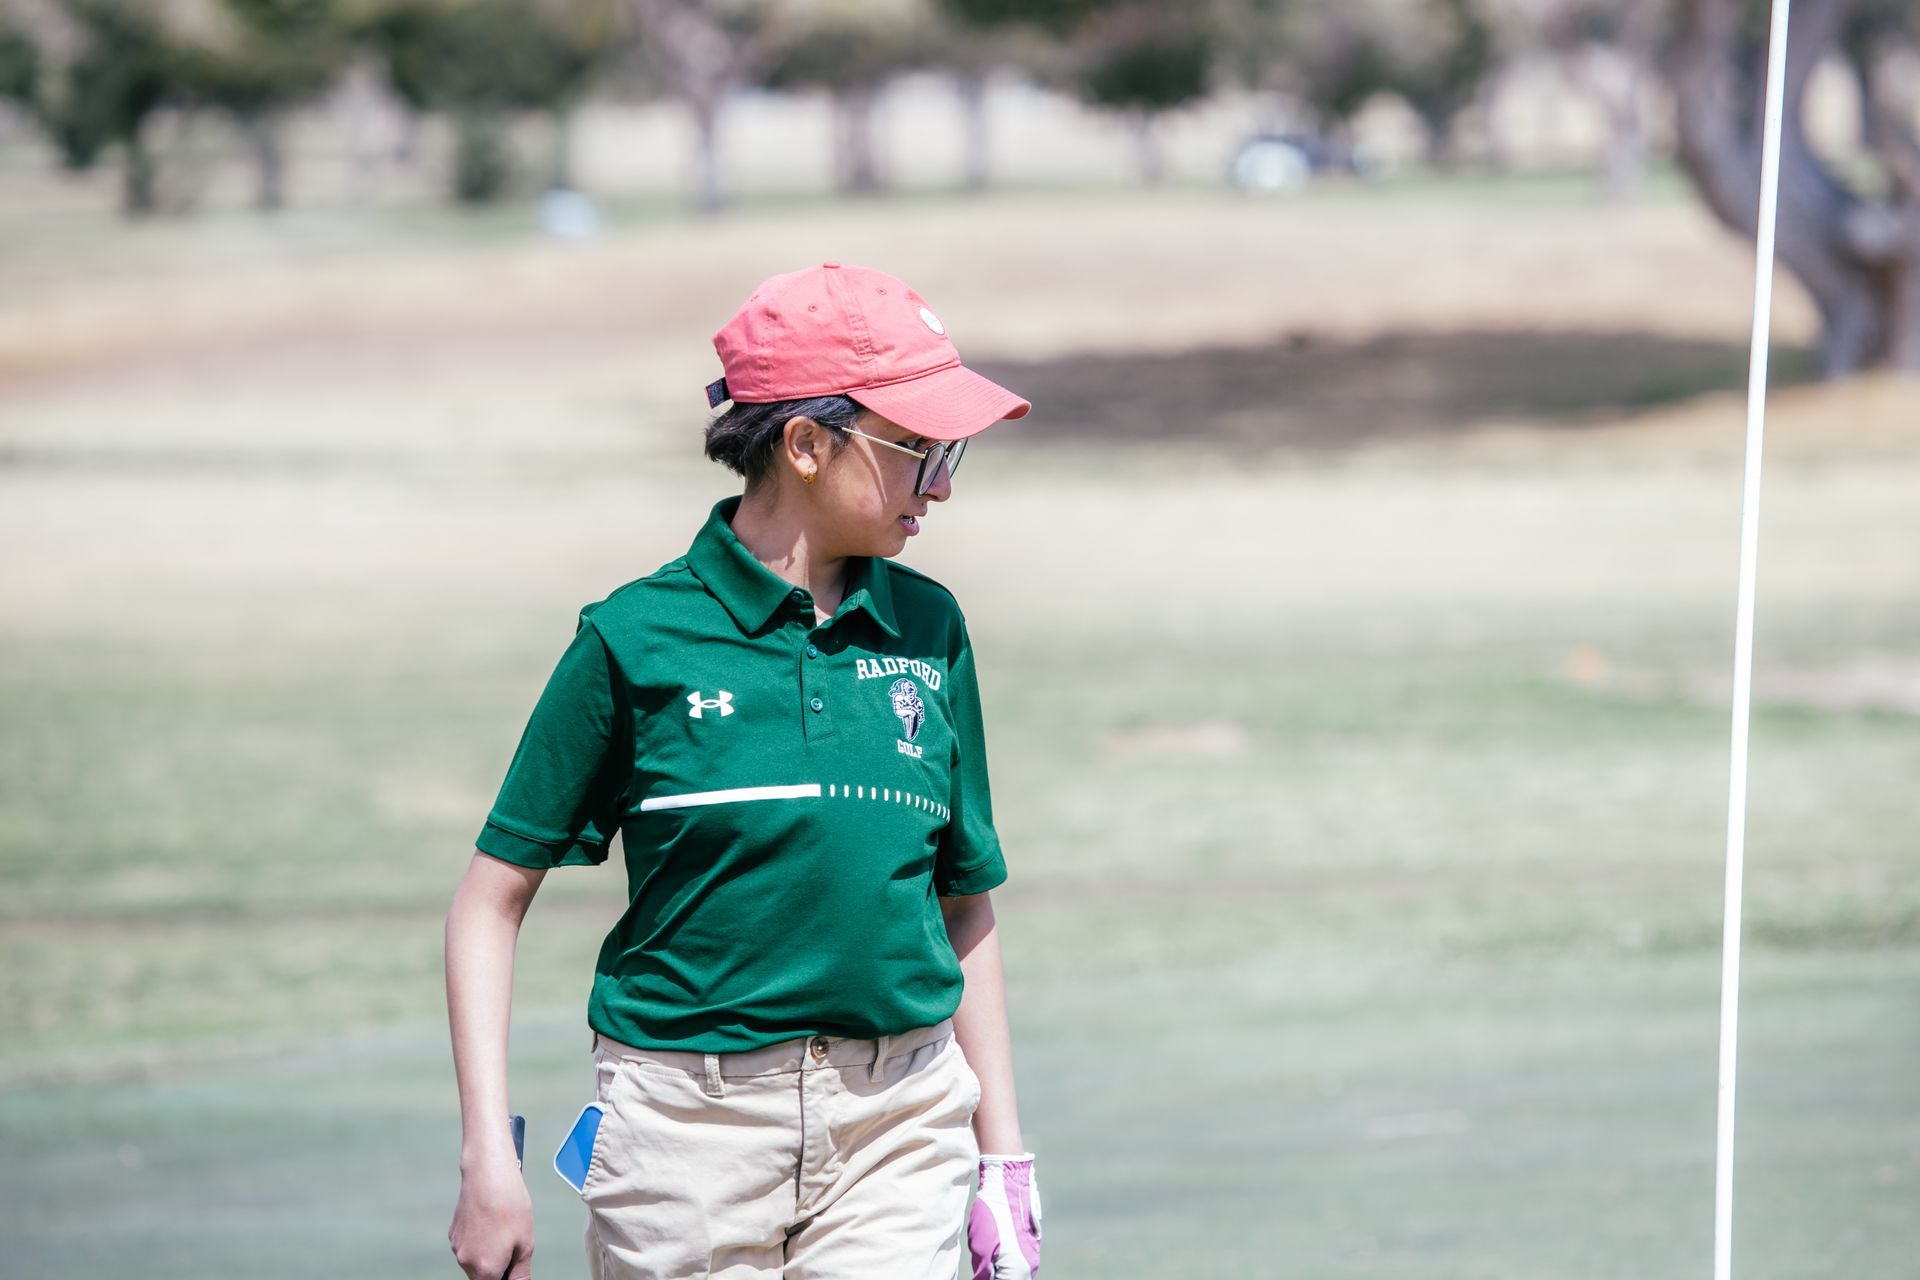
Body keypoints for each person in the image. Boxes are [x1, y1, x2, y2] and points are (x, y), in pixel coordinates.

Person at [445, 262, 1044, 1280]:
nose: (941, 482)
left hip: (897, 1121)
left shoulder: (930, 629)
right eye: (921, 449)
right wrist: (488, 1155)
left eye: (954, 452)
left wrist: (1004, 1156)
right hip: (682, 1140)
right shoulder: (636, 638)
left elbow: (964, 897)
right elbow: (487, 905)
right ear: (807, 444)